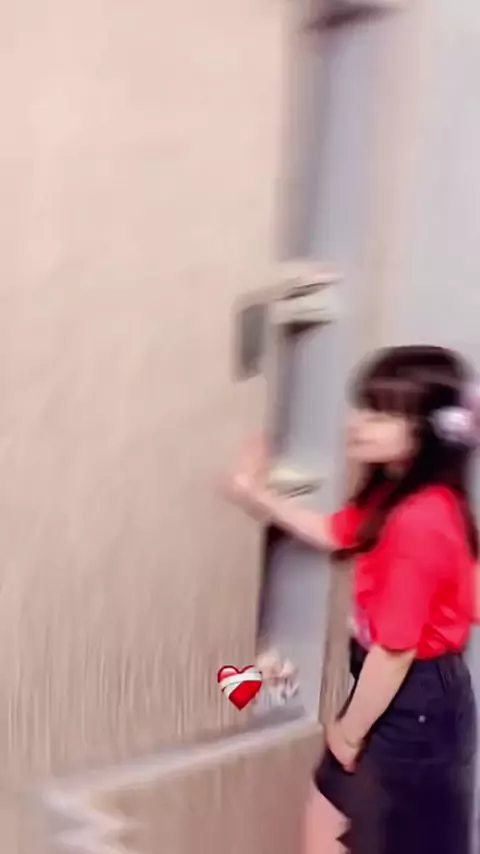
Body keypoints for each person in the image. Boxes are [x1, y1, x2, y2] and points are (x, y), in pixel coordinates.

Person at [223, 345, 478, 854]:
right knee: (335, 825)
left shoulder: (420, 520)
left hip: (410, 700)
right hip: (401, 695)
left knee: (351, 832)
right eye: (363, 406)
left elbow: (396, 651)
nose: (356, 423)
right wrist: (255, 494)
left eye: (381, 413)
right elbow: (336, 532)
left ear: (427, 431)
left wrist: (348, 731)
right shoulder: (396, 496)